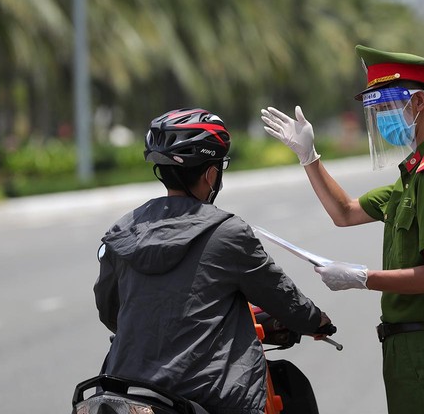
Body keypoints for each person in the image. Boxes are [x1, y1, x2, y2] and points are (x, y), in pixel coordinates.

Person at [260, 45, 424, 414]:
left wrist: (363, 278)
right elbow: (345, 212)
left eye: (387, 108)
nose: (383, 119)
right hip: (408, 348)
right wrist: (309, 158)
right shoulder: (414, 176)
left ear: (418, 102)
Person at [94, 108, 331, 414]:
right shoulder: (226, 231)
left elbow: (110, 311)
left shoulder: (123, 229)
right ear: (210, 174)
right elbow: (281, 296)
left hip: (130, 393)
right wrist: (316, 321)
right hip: (213, 398)